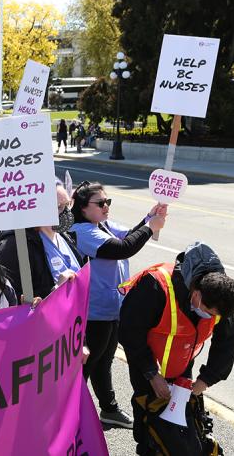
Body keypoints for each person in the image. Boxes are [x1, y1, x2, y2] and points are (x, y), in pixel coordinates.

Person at [118, 242, 234, 455]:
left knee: (182, 430)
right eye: (208, 312)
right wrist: (151, 374)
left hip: (183, 368)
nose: (211, 318)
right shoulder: (156, 284)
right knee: (150, 425)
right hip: (146, 366)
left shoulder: (218, 296)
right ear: (197, 294)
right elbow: (130, 332)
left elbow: (228, 340)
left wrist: (205, 380)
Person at [70, 181, 167, 428]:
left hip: (113, 308)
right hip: (94, 311)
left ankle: (109, 409)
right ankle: (71, 416)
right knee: (86, 367)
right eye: (100, 203)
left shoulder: (101, 225)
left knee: (105, 361)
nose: (106, 207)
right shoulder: (82, 231)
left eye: (107, 202)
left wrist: (150, 217)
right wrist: (149, 228)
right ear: (82, 208)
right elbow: (123, 248)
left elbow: (128, 235)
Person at [0, 180, 85, 298]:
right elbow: (9, 297)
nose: (66, 212)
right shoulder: (15, 245)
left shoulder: (64, 236)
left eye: (68, 204)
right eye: (58, 206)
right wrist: (56, 290)